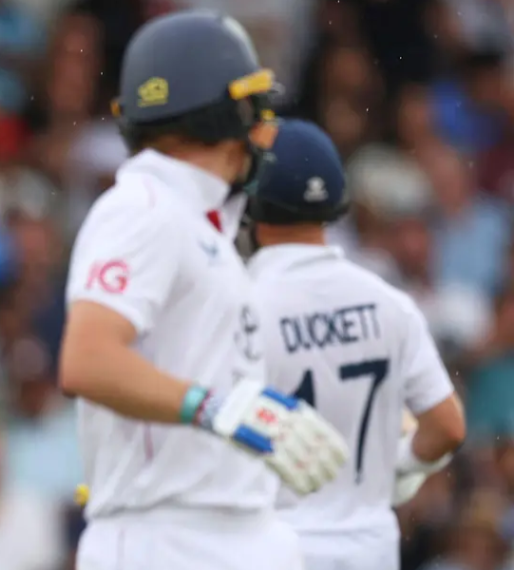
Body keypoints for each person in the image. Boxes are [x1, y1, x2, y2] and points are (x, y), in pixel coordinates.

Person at [58, 10, 347, 570]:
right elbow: (86, 361)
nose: (264, 129)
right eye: (253, 108)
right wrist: (214, 407)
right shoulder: (144, 208)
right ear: (218, 111)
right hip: (167, 538)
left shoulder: (196, 220)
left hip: (231, 530)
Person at [245, 119, 466, 570]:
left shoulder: (241, 305)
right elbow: (448, 427)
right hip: (371, 551)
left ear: (252, 203)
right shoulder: (390, 302)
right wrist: (397, 467)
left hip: (274, 548)